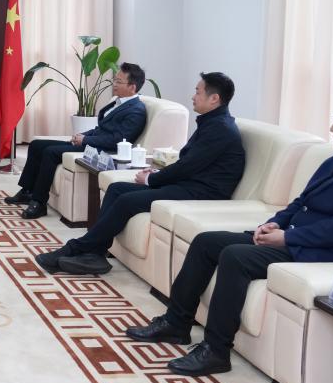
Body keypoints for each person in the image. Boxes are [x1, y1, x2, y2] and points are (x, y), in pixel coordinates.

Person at [125, 95, 333, 377]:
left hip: (325, 254)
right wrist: (273, 224)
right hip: (294, 239)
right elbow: (300, 202)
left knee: (235, 256)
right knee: (207, 241)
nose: (332, 127)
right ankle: (176, 323)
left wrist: (287, 238)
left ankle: (216, 350)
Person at [35, 71, 246, 276]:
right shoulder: (212, 122)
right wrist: (156, 172)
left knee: (127, 200)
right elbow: (190, 164)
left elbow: (188, 166)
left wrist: (151, 179)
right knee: (116, 188)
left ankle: (75, 248)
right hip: (191, 183)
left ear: (214, 98)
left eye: (198, 92)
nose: (193, 96)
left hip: (203, 192)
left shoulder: (219, 129)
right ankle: (96, 254)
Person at [4, 62, 149, 218]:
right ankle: (27, 191)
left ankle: (39, 203)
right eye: (115, 80)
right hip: (92, 142)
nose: (114, 84)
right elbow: (101, 129)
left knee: (50, 152)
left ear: (132, 87)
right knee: (36, 145)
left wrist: (86, 140)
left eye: (119, 81)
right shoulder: (118, 102)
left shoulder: (136, 110)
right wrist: (82, 135)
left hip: (102, 151)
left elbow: (117, 140)